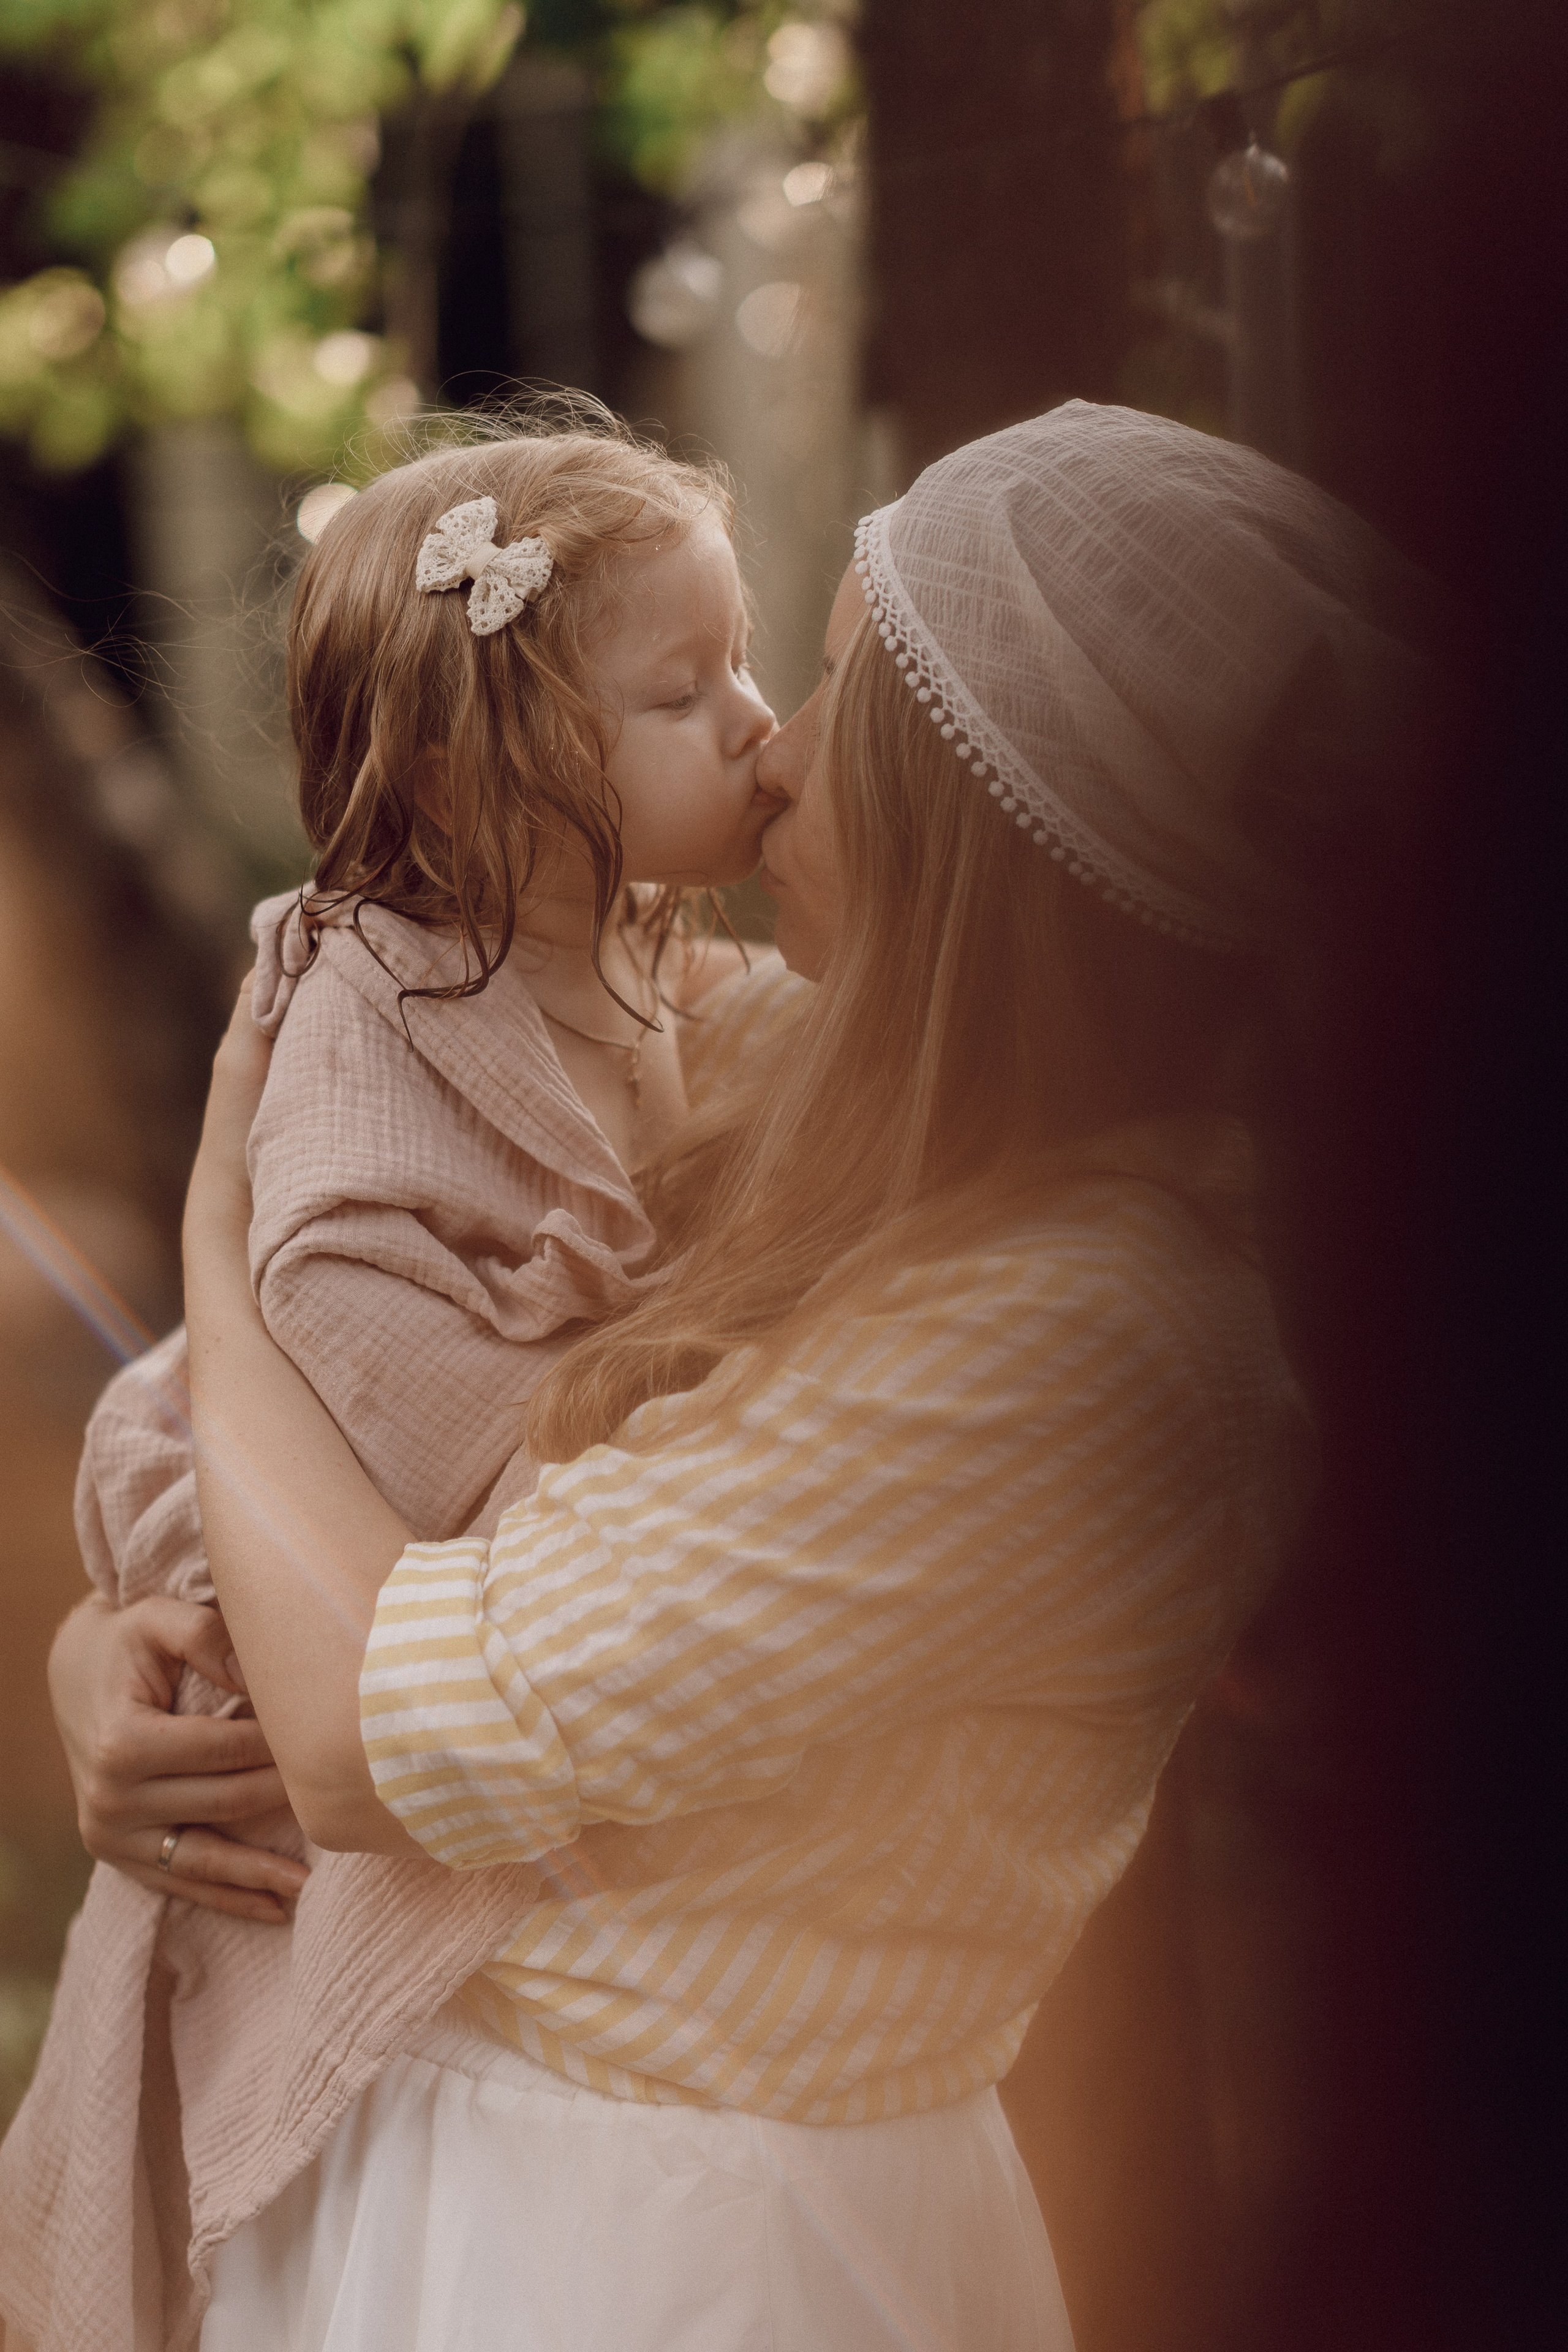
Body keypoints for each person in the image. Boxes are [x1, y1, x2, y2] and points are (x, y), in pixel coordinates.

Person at [21, 401, 1433, 2352]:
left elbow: (363, 1731)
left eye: (836, 673)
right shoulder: (825, 1082)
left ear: (967, 814)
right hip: (501, 2187)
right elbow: (333, 1416)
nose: (777, 736)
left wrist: (211, 1235)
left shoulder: (1087, 1349)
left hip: (671, 2255)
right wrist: (119, 1650)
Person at [0, 415, 782, 2352]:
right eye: (685, 692)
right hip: (326, 1612)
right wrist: (663, 1346)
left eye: (750, 662)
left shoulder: (642, 961)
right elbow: (371, 1373)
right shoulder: (369, 1020)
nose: (760, 721)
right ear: (477, 775)